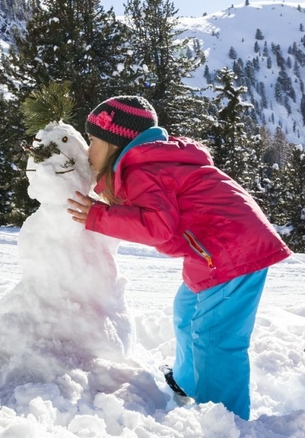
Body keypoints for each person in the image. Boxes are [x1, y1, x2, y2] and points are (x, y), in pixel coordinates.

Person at [66, 95, 291, 419]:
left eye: (93, 140)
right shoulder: (148, 162)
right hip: (215, 249)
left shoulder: (143, 169)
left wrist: (99, 216)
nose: (89, 151)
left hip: (231, 250)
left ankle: (224, 417)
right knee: (186, 310)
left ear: (117, 142)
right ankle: (189, 381)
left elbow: (158, 226)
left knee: (215, 337)